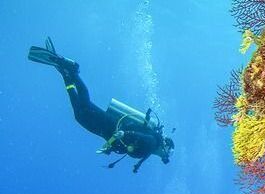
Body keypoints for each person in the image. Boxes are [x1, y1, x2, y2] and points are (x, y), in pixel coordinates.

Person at [27, 37, 174, 173]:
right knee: (85, 106)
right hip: (113, 127)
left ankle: (66, 75)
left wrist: (111, 147)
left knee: (80, 114)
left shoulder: (148, 151)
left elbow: (132, 144)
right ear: (166, 146)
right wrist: (124, 134)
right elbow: (141, 137)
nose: (166, 155)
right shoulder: (153, 142)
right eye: (169, 151)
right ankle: (73, 71)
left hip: (108, 134)